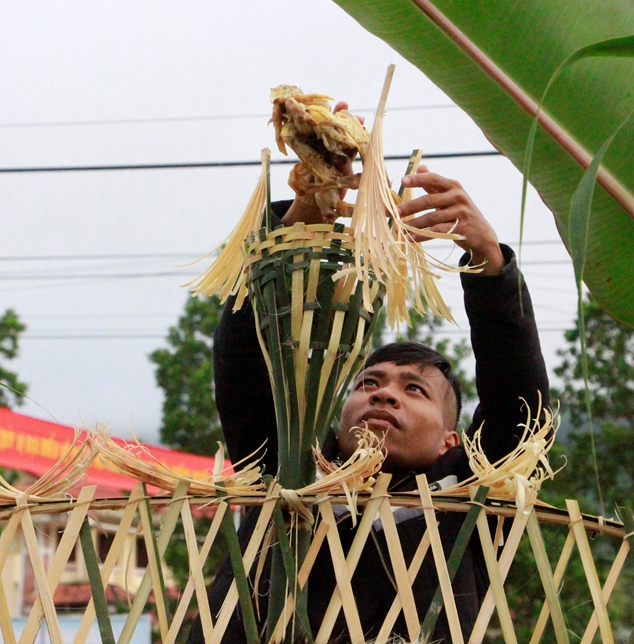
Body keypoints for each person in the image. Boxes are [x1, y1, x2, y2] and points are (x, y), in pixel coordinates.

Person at [188, 109, 549, 644]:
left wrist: (490, 263)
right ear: (337, 422)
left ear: (453, 439)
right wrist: (307, 212)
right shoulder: (289, 473)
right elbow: (244, 368)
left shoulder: (470, 500)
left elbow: (520, 410)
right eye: (369, 383)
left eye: (414, 389)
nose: (385, 393)